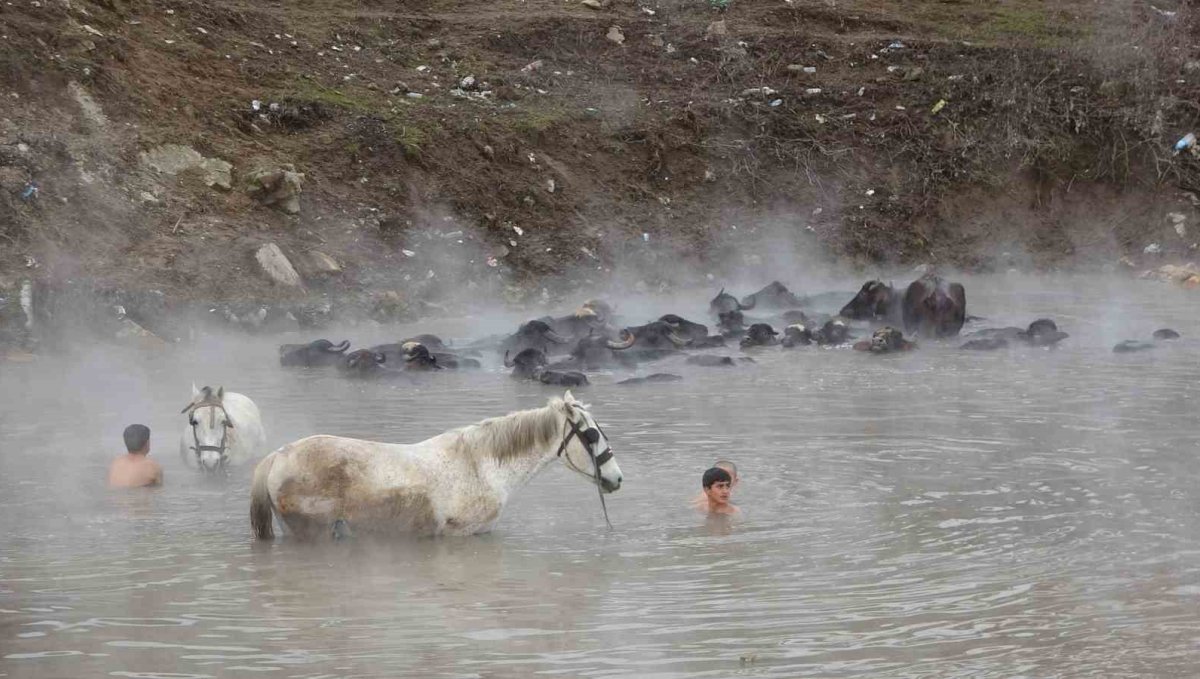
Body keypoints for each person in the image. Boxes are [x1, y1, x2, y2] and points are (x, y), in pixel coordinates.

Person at [107, 424, 163, 488]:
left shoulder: (115, 463)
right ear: (147, 443)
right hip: (137, 496)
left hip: (115, 496)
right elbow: (159, 490)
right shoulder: (152, 466)